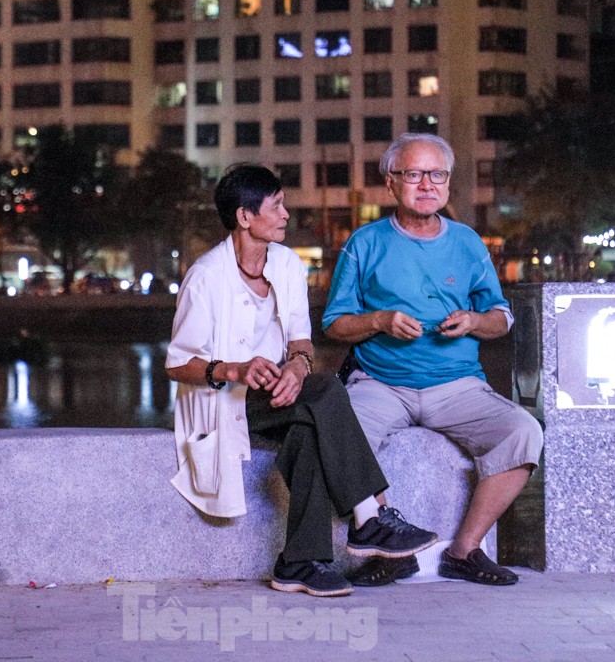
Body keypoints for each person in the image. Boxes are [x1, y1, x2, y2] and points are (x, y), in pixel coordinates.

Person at [167, 164, 438, 597]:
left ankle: (299, 562)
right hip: (221, 401)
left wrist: (296, 367)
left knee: (309, 428)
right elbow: (178, 363)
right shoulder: (206, 276)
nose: (286, 214)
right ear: (245, 217)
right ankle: (368, 517)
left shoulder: (288, 264)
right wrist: (234, 370)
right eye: (276, 206)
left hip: (274, 392)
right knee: (329, 390)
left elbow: (302, 341)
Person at [324, 134, 543, 587]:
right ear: (391, 183)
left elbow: (501, 318)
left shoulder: (467, 242)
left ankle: (464, 551)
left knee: (523, 432)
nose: (427, 184)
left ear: (448, 184)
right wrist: (380, 320)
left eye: (437, 174)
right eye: (414, 174)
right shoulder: (364, 243)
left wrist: (473, 322)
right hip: (380, 381)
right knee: (337, 430)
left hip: (457, 384)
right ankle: (388, 542)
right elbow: (334, 324)